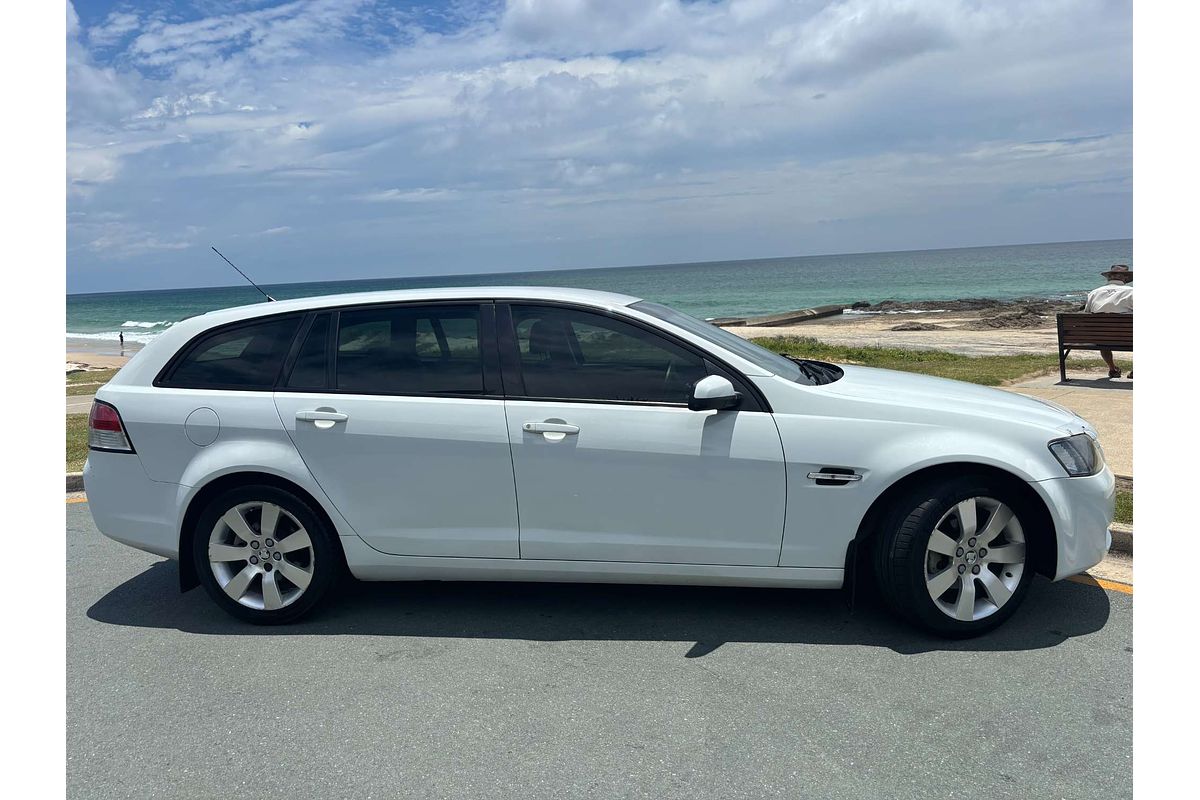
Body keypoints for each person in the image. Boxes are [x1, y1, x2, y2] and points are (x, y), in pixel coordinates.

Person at [1083, 264, 1132, 378]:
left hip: (1101, 338)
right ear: (1125, 278)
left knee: (1102, 334)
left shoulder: (1094, 293)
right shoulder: (1131, 292)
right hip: (1128, 337)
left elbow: (1087, 314)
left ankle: (1112, 368)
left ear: (1109, 277)